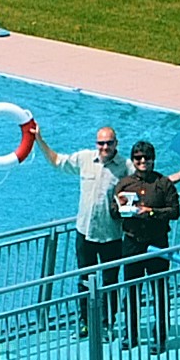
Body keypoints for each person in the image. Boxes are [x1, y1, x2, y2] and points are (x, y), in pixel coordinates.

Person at [41, 121, 129, 320]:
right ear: (96, 144)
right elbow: (57, 161)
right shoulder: (85, 159)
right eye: (101, 143)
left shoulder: (125, 166)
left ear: (116, 143)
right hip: (85, 233)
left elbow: (150, 182)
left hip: (112, 235)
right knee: (84, 281)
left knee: (110, 282)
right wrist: (39, 139)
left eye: (109, 143)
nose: (105, 147)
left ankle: (107, 321)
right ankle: (85, 320)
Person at [111, 140, 180, 340]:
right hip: (132, 243)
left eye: (147, 157)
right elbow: (113, 212)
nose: (143, 161)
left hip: (157, 243)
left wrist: (151, 212)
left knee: (159, 289)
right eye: (138, 158)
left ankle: (160, 333)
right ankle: (131, 333)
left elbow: (175, 212)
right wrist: (121, 207)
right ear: (133, 160)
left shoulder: (163, 183)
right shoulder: (124, 184)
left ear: (153, 160)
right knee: (131, 290)